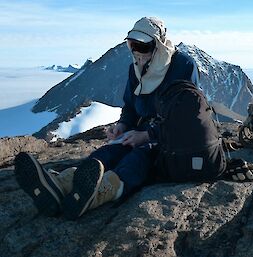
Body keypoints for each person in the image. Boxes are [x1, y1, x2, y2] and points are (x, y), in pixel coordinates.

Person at [14, 17, 201, 220]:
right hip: (143, 130)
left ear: (159, 45)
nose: (136, 51)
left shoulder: (183, 66)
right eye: (132, 45)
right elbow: (131, 105)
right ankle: (62, 185)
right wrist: (122, 125)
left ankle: (102, 192)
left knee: (140, 157)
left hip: (173, 136)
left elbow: (186, 117)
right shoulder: (136, 69)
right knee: (109, 151)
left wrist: (148, 135)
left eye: (142, 45)